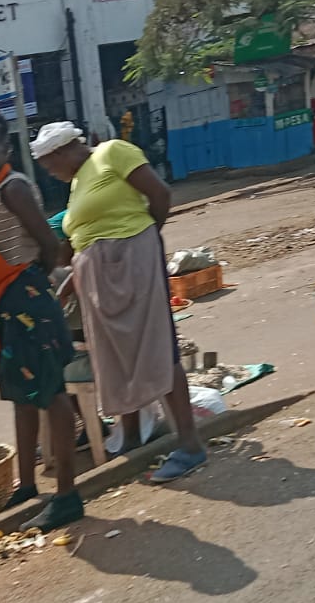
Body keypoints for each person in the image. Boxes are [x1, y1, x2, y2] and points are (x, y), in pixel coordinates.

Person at [31, 120, 209, 486]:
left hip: (131, 261)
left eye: (50, 164)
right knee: (116, 356)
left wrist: (142, 242)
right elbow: (80, 239)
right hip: (98, 276)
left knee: (157, 348)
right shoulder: (78, 183)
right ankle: (129, 438)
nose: (51, 173)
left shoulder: (112, 152)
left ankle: (189, 444)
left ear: (63, 151)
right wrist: (66, 286)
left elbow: (159, 195)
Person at [0, 113, 82, 531]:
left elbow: (49, 244)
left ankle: (67, 494)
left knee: (51, 393)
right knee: (21, 395)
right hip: (4, 306)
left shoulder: (13, 187)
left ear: (6, 149)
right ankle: (28, 486)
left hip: (26, 300)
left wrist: (31, 285)